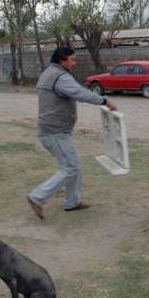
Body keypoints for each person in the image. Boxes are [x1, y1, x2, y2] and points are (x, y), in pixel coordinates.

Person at [27, 47, 117, 219]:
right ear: (62, 60)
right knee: (71, 166)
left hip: (53, 130)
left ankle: (72, 202)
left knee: (73, 165)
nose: (75, 63)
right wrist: (104, 101)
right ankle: (37, 197)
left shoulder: (49, 72)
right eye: (73, 60)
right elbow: (80, 93)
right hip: (54, 132)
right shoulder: (60, 77)